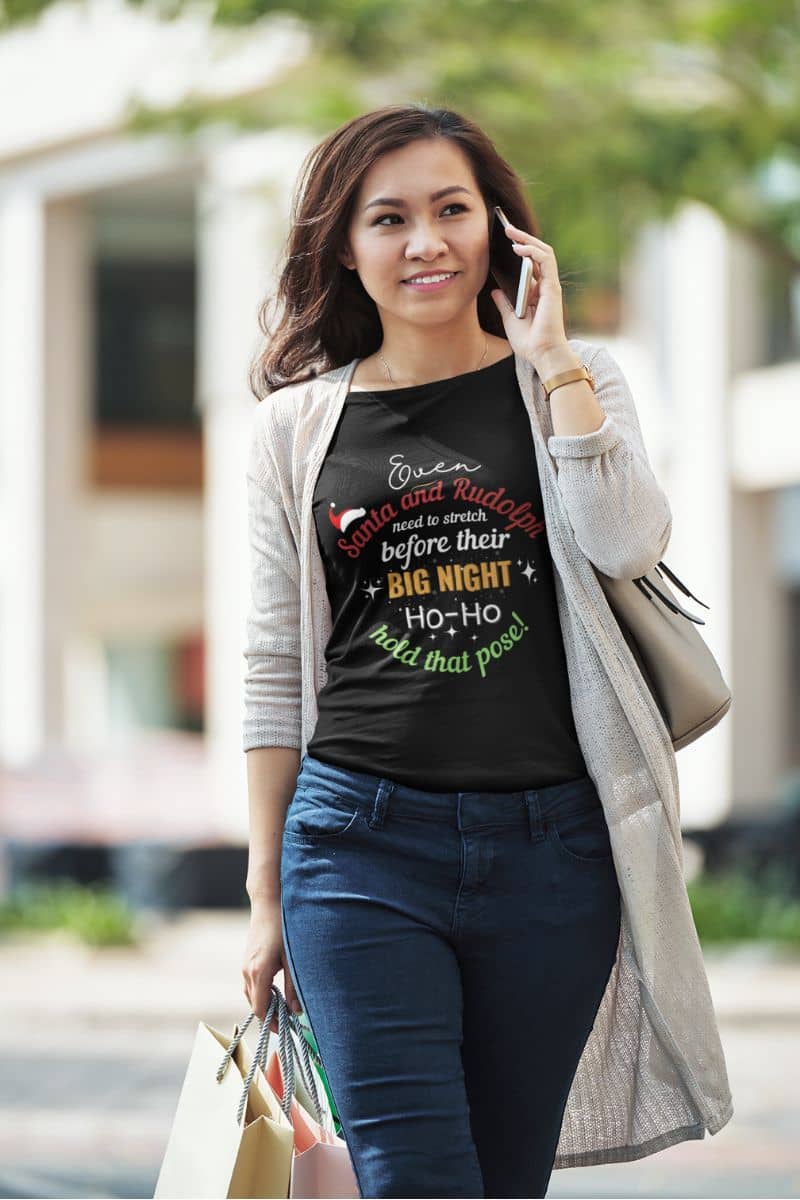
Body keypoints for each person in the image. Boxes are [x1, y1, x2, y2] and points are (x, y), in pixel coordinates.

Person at [241, 104, 733, 1199]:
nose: (425, 241)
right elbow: (274, 665)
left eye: (450, 209)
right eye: (389, 218)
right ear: (344, 247)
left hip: (550, 852)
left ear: (499, 229)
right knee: (416, 1177)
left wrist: (552, 359)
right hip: (359, 847)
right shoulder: (294, 427)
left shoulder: (573, 377)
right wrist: (265, 888)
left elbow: (625, 541)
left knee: (503, 1183)